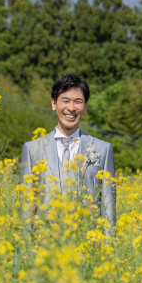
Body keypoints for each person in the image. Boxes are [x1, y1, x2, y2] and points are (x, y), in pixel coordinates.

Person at [19, 73, 116, 230]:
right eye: (65, 101)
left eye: (78, 102)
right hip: (45, 241)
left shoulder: (102, 149)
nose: (71, 108)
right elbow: (26, 208)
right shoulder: (32, 149)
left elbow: (108, 208)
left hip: (87, 240)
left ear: (85, 107)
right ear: (53, 103)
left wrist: (108, 243)